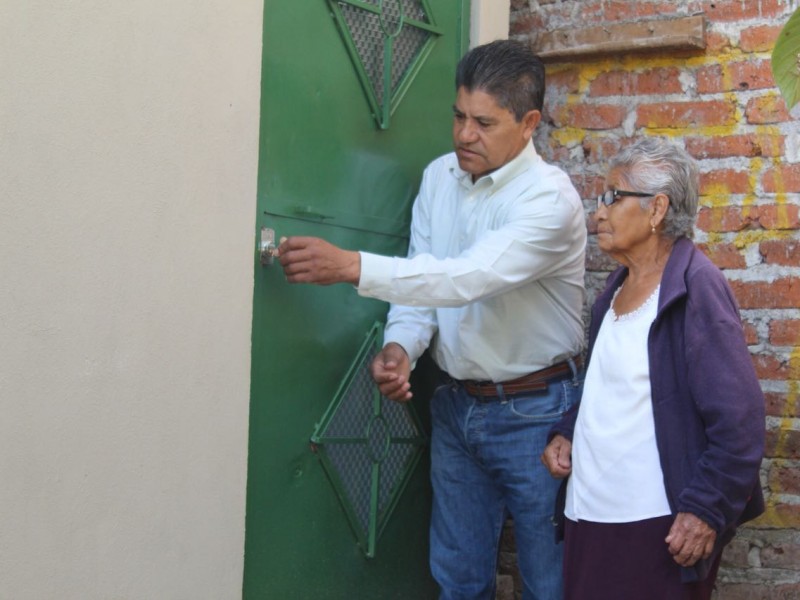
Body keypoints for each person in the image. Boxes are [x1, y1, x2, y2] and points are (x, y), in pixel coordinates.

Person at [278, 39, 586, 600]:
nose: (464, 134)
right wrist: (401, 347)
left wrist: (351, 266)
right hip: (454, 406)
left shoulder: (550, 202)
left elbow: (468, 277)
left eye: (484, 123)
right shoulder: (440, 176)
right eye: (459, 116)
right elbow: (424, 287)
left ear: (529, 123)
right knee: (458, 580)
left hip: (538, 414)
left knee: (551, 583)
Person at [540, 138, 765, 600]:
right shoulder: (616, 288)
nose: (598, 211)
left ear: (657, 209)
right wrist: (568, 428)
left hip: (655, 526)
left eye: (612, 196)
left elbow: (740, 421)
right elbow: (608, 387)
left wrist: (705, 510)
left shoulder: (696, 288)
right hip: (591, 513)